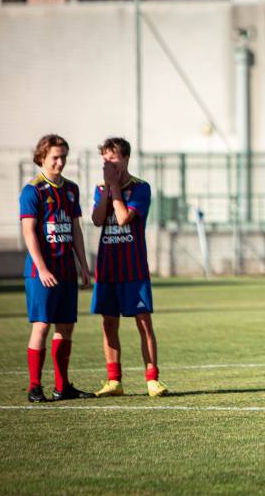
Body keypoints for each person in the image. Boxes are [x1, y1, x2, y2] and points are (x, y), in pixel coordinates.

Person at [90, 137, 167, 397]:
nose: (107, 164)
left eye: (112, 158)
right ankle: (114, 381)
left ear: (125, 159)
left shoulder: (140, 188)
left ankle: (152, 379)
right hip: (107, 268)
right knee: (108, 323)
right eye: (104, 159)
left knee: (143, 323)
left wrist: (114, 186)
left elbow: (122, 218)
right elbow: (98, 219)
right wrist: (108, 190)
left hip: (133, 268)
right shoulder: (100, 189)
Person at [20, 134, 94, 402]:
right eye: (55, 157)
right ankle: (34, 386)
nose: (60, 162)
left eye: (63, 156)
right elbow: (28, 232)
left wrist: (84, 267)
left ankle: (63, 386)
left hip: (66, 271)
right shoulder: (33, 190)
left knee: (66, 326)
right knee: (41, 325)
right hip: (42, 272)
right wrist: (42, 268)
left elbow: (75, 230)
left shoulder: (71, 189)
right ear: (42, 157)